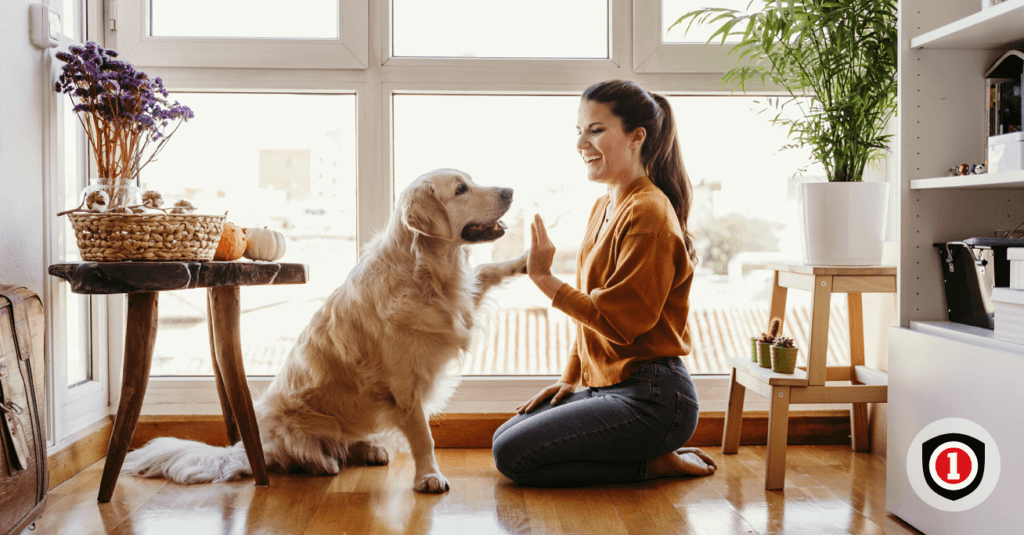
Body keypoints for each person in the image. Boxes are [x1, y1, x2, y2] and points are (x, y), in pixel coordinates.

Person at [491, 80, 717, 486]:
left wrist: (543, 278)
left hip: (655, 398)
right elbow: (592, 316)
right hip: (610, 385)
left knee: (513, 455)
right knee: (504, 437)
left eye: (595, 130)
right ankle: (648, 455)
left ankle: (654, 462)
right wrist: (570, 377)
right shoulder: (606, 204)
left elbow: (620, 323)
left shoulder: (649, 213)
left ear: (636, 137)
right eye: (578, 131)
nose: (582, 142)